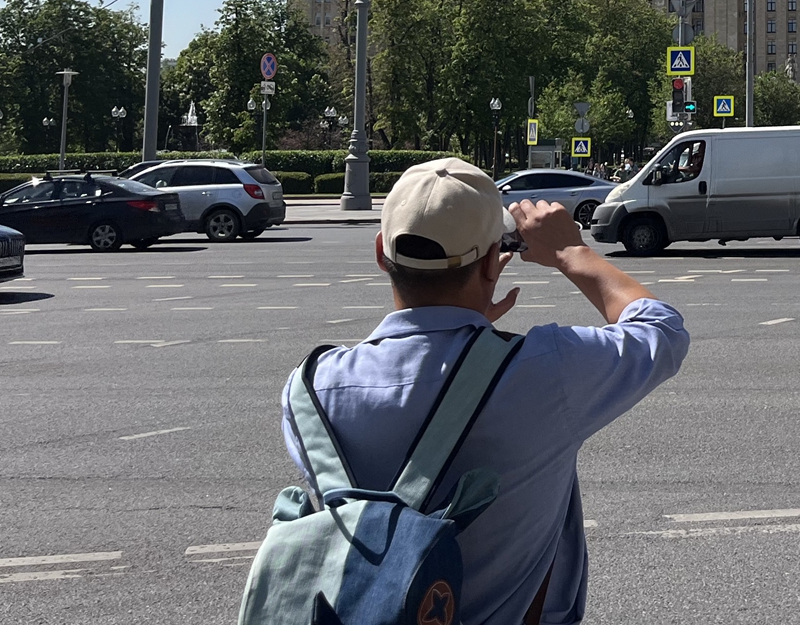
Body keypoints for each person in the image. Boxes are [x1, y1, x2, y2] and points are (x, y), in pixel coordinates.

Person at [279, 157, 689, 625]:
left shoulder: (309, 388)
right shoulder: (543, 372)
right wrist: (571, 251)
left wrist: (464, 339)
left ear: (380, 252)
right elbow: (662, 330)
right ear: (494, 262)